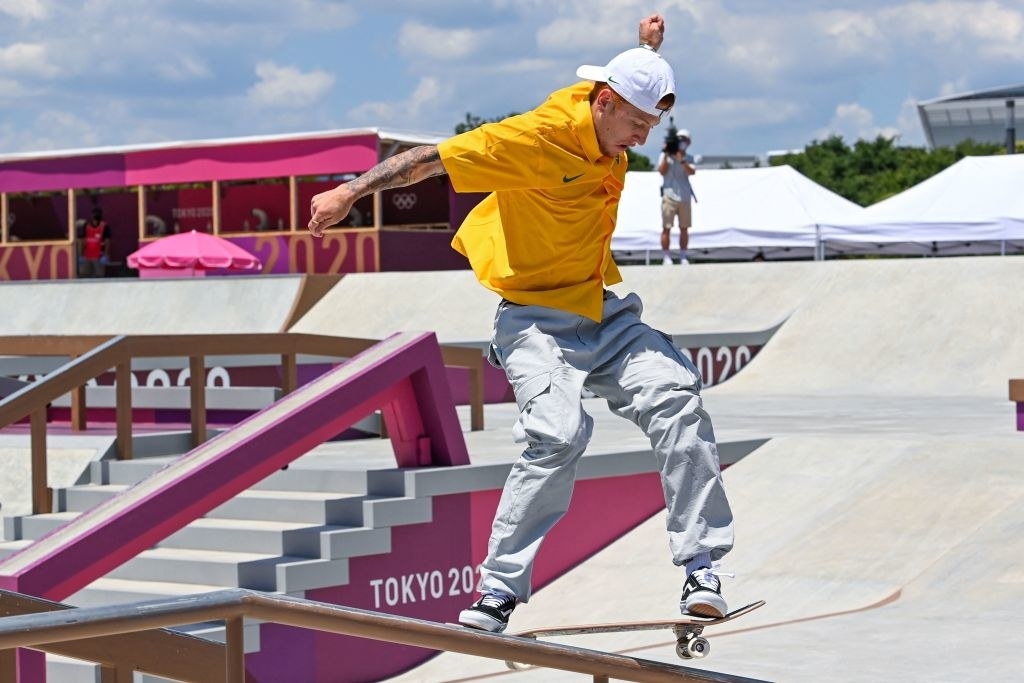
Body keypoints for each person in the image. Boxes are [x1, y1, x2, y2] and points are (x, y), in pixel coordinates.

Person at [307, 13, 734, 634]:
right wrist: (350, 191)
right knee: (558, 436)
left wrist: (647, 49)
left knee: (677, 395)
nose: (642, 138)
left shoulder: (616, 107)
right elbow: (431, 159)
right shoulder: (533, 138)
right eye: (637, 124)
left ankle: (701, 568)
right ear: (604, 102)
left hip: (600, 307)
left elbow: (635, 84)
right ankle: (497, 593)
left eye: (652, 125)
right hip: (533, 319)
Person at [658, 128, 696, 264]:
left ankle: (683, 255)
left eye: (685, 140)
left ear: (689, 142)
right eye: (680, 139)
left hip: (685, 196)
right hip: (668, 195)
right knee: (666, 227)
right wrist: (667, 153)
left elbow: (691, 172)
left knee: (684, 227)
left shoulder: (689, 158)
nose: (682, 142)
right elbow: (661, 171)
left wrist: (682, 160)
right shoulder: (665, 155)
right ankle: (666, 256)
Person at [78, 207, 111, 277]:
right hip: (87, 256)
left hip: (99, 257)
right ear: (92, 215)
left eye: (98, 214)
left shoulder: (104, 226)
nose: (96, 216)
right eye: (95, 214)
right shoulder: (86, 225)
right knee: (84, 276)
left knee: (99, 276)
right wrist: (81, 255)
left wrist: (106, 255)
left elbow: (107, 242)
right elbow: (83, 241)